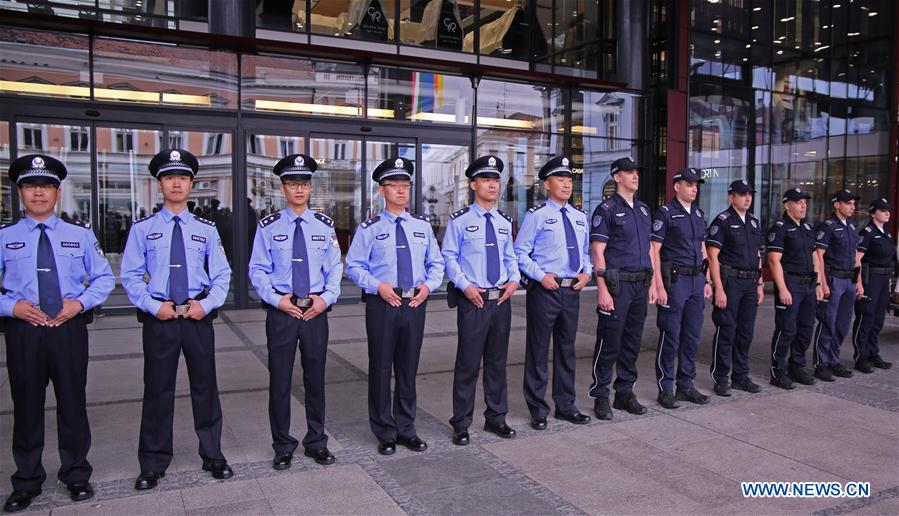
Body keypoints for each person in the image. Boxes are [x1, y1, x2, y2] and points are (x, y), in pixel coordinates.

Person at [1, 155, 114, 513]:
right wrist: (11, 307)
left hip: (68, 329)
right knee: (26, 406)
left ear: (57, 193)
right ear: (21, 193)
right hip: (24, 331)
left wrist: (79, 304)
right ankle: (26, 479)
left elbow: (104, 278)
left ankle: (76, 473)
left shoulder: (79, 235)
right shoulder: (5, 237)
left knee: (72, 403)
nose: (39, 193)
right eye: (31, 186)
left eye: (46, 186)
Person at [120, 149, 233, 490]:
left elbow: (222, 274)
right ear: (160, 184)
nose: (176, 184)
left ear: (191, 184)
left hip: (197, 317)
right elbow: (130, 276)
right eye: (169, 178)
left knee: (205, 388)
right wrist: (152, 306)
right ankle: (153, 462)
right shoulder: (143, 229)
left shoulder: (206, 229)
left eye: (182, 178)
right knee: (157, 390)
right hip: (161, 318)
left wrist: (207, 305)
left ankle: (212, 454)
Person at [345, 157, 444, 455]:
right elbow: (354, 266)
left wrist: (428, 286)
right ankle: (384, 430)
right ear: (382, 190)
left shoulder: (422, 226)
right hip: (383, 304)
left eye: (405, 185)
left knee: (408, 368)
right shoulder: (369, 228)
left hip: (414, 303)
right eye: (394, 185)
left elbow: (436, 263)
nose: (401, 191)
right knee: (380, 367)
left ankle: (406, 427)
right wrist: (378, 286)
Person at [249, 154, 342, 469]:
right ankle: (282, 445)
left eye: (304, 184)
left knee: (316, 379)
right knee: (280, 380)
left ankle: (316, 441)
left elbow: (334, 267)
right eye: (292, 184)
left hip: (316, 312)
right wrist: (277, 301)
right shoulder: (268, 227)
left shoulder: (324, 226)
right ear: (283, 188)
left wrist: (325, 299)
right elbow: (257, 270)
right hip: (282, 313)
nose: (299, 189)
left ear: (310, 187)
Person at [442, 155, 519, 446]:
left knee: (497, 363)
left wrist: (514, 279)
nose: (492, 185)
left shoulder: (504, 222)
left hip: (500, 301)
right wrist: (465, 286)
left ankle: (496, 418)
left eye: (496, 180)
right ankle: (461, 423)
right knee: (468, 364)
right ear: (474, 185)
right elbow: (449, 257)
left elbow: (510, 257)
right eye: (486, 180)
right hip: (473, 301)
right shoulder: (460, 220)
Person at [514, 155, 592, 430]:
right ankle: (538, 409)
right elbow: (520, 253)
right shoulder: (536, 216)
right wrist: (540, 276)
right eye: (560, 179)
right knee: (538, 350)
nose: (567, 184)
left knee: (566, 350)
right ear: (547, 184)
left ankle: (566, 405)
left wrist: (587, 273)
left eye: (569, 179)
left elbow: (585, 252)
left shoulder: (580, 217)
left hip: (571, 292)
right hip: (545, 291)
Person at [588, 157, 656, 420]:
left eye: (637, 171)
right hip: (617, 286)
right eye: (629, 172)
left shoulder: (643, 209)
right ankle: (600, 395)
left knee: (631, 342)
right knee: (609, 342)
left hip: (640, 284)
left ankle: (625, 393)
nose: (635, 175)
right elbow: (598, 251)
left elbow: (649, 249)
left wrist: (653, 284)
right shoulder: (606, 209)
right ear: (617, 177)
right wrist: (602, 290)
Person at [649, 168, 712, 409]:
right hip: (675, 281)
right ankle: (665, 388)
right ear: (677, 187)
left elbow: (702, 248)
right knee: (671, 335)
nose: (694, 189)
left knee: (691, 337)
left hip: (696, 281)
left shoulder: (698, 213)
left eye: (696, 185)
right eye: (689, 184)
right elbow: (654, 250)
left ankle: (686, 385)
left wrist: (706, 280)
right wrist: (658, 285)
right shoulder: (665, 213)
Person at [706, 180, 765, 396]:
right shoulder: (722, 221)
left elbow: (758, 255)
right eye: (742, 194)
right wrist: (719, 288)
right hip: (731, 282)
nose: (747, 198)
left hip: (750, 282)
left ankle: (741, 376)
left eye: (749, 194)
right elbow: (713, 257)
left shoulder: (754, 222)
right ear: (731, 197)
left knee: (745, 332)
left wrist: (760, 284)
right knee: (726, 330)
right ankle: (721, 378)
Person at [765, 187, 825, 390]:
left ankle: (797, 366)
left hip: (808, 285)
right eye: (798, 202)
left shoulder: (807, 228)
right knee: (786, 329)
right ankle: (778, 370)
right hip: (790, 285)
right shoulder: (780, 229)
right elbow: (774, 261)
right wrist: (782, 289)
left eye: (805, 202)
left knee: (806, 329)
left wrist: (818, 283)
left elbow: (815, 258)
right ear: (787, 205)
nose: (803, 206)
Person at [811, 190, 860, 381]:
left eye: (853, 203)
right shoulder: (828, 227)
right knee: (828, 321)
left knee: (843, 324)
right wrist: (822, 282)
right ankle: (821, 364)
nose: (852, 207)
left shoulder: (853, 227)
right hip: (833, 279)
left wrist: (859, 281)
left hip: (849, 280)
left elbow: (856, 257)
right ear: (837, 205)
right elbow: (819, 255)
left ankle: (833, 360)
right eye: (848, 203)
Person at [852, 198, 895, 373]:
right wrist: (859, 283)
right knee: (866, 317)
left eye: (888, 210)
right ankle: (860, 357)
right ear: (873, 213)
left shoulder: (886, 232)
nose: (887, 213)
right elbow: (857, 259)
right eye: (882, 210)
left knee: (878, 319)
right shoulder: (868, 232)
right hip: (871, 279)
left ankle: (872, 352)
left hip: (884, 280)